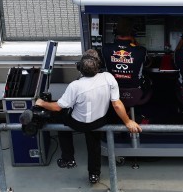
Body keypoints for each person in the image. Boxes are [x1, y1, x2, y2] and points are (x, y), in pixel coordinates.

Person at [34, 49, 141, 184]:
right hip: (99, 121)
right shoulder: (108, 77)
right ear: (98, 65)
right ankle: (94, 175)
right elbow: (117, 105)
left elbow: (57, 107)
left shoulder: (75, 86)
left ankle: (68, 158)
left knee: (59, 120)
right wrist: (128, 121)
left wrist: (42, 103)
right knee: (94, 143)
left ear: (79, 67)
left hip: (79, 123)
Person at [101, 17, 151, 92]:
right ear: (133, 32)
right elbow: (147, 64)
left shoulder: (105, 48)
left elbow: (101, 65)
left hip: (112, 90)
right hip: (135, 89)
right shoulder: (141, 50)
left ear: (115, 32)